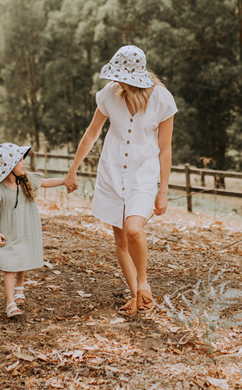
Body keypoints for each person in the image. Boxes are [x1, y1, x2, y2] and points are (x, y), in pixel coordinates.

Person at [64, 45, 177, 315]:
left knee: (134, 229)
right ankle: (136, 297)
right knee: (121, 241)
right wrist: (73, 169)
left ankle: (143, 283)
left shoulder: (162, 99)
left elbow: (166, 148)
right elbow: (92, 133)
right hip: (112, 169)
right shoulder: (109, 94)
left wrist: (163, 190)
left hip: (144, 171)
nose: (117, 81)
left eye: (122, 76)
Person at [0, 142, 66, 318]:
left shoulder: (27, 180)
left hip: (24, 227)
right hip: (7, 232)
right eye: (20, 159)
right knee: (9, 266)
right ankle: (10, 303)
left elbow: (46, 181)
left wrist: (65, 180)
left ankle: (19, 287)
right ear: (8, 164)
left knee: (22, 256)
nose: (24, 163)